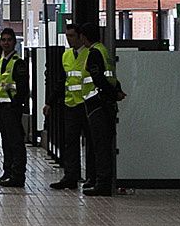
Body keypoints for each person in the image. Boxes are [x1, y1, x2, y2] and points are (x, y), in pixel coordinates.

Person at [74, 23, 122, 196]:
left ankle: (102, 183)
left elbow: (99, 78)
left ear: (84, 37)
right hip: (105, 103)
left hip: (97, 104)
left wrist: (112, 93)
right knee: (103, 144)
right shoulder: (104, 50)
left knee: (100, 144)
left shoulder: (94, 53)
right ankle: (99, 180)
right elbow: (112, 76)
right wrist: (116, 91)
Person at [45, 24, 89, 191]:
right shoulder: (66, 55)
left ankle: (91, 176)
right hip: (71, 104)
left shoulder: (89, 53)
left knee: (90, 143)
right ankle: (71, 176)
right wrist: (50, 101)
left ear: (80, 37)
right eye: (67, 36)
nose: (69, 39)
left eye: (72, 36)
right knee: (70, 142)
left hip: (87, 104)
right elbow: (62, 81)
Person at [0, 27, 29, 188]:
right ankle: (7, 173)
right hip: (2, 106)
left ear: (14, 42)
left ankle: (17, 175)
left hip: (12, 107)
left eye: (9, 40)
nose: (6, 43)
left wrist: (16, 104)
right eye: (3, 40)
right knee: (6, 142)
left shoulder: (18, 62)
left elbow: (22, 88)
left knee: (15, 142)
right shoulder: (2, 60)